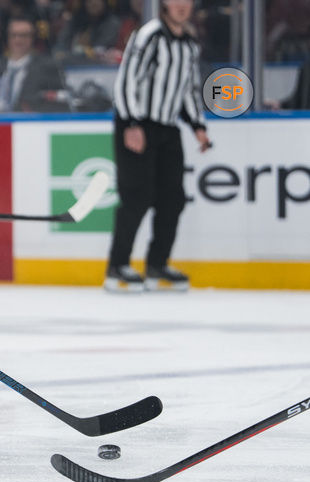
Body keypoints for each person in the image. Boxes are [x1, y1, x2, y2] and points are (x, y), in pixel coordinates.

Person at [104, 0, 211, 293]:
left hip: (167, 128)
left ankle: (156, 263)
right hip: (137, 124)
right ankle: (117, 265)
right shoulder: (149, 34)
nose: (181, 6)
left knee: (172, 199)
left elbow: (188, 89)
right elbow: (126, 80)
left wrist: (198, 126)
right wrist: (131, 123)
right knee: (137, 196)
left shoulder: (189, 43)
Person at [0, 17, 68, 113]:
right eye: (13, 35)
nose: (18, 40)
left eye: (23, 35)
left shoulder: (47, 67)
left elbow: (62, 99)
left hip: (33, 123)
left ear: (32, 38)